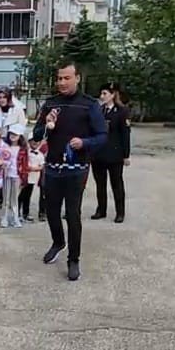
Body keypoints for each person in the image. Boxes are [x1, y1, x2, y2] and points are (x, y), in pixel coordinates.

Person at [30, 62, 107, 282]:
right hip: (53, 168)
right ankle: (58, 242)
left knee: (72, 214)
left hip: (77, 169)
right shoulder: (51, 103)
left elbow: (102, 135)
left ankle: (74, 259)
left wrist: (84, 142)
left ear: (77, 78)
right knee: (51, 211)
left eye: (67, 78)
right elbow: (37, 135)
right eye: (59, 78)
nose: (62, 82)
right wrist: (46, 122)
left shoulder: (89, 105)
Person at [92, 82, 132, 223]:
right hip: (98, 154)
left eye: (105, 94)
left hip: (114, 154)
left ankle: (120, 212)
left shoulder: (122, 111)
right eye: (101, 94)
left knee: (117, 184)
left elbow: (125, 134)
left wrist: (126, 155)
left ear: (113, 95)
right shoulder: (99, 110)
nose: (102, 96)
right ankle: (101, 210)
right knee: (100, 184)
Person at [0, 124, 27, 228]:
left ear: (20, 136)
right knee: (5, 198)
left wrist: (24, 177)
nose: (13, 136)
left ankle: (15, 218)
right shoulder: (5, 146)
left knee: (14, 199)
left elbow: (25, 164)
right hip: (6, 175)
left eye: (15, 134)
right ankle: (4, 218)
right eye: (11, 133)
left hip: (17, 176)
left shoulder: (22, 149)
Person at [20, 138, 46, 223]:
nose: (35, 142)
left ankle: (25, 213)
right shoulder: (25, 152)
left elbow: (42, 166)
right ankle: (17, 213)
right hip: (24, 177)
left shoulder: (40, 155)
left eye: (37, 140)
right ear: (29, 141)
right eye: (33, 140)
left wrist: (35, 168)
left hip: (33, 178)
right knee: (21, 196)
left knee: (27, 196)